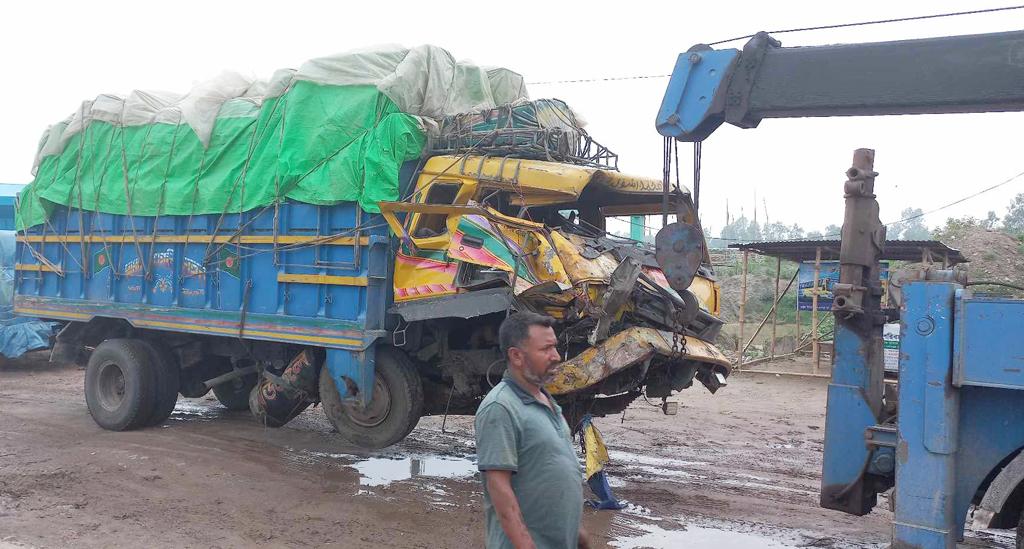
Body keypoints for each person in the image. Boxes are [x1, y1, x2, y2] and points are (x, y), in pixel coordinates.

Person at [475, 312, 591, 549]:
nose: (556, 357)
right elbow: (499, 489)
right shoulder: (501, 407)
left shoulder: (548, 402)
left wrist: (579, 536)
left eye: (555, 347)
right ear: (516, 356)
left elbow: (552, 470)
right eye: (546, 349)